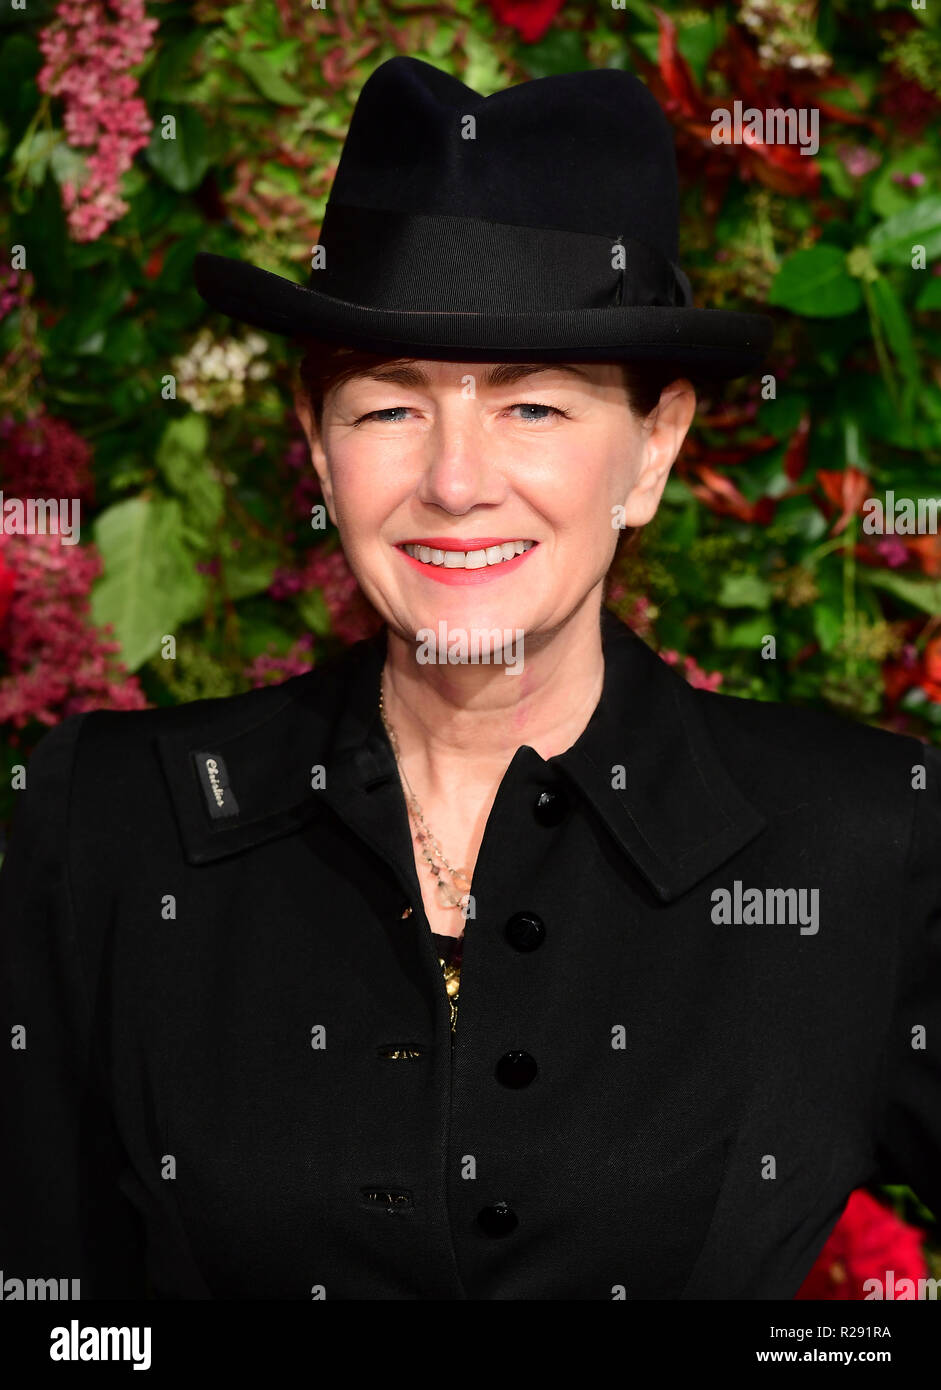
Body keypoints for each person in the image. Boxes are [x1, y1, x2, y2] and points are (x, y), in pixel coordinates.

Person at [0, 55, 938, 1302]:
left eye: (532, 408)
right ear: (316, 447)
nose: (453, 482)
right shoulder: (115, 822)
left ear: (651, 450)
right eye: (388, 407)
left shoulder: (861, 840)